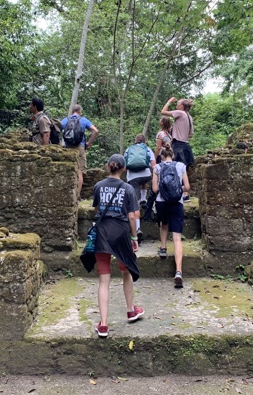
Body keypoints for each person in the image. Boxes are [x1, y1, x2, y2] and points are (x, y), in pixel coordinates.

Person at [80, 154, 144, 338]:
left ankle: (103, 324)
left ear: (108, 166)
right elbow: (132, 216)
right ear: (124, 169)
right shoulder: (128, 188)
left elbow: (97, 210)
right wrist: (134, 237)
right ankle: (131, 310)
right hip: (121, 233)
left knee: (104, 279)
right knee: (126, 271)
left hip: (102, 233)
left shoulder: (98, 186)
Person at [152, 145, 190, 289]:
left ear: (161, 156)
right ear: (172, 155)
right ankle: (178, 271)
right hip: (177, 202)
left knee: (163, 223)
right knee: (177, 237)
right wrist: (178, 189)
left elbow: (155, 189)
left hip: (161, 202)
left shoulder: (157, 167)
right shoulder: (181, 166)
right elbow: (187, 187)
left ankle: (163, 247)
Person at [61, 104, 98, 201]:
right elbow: (95, 131)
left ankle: (68, 194)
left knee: (68, 170)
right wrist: (88, 143)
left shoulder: (65, 120)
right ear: (80, 111)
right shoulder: (83, 120)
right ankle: (77, 196)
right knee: (79, 172)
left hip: (67, 148)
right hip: (80, 147)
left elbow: (56, 129)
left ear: (72, 111)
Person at [161, 97, 194, 200]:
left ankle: (182, 194)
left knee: (177, 168)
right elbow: (190, 134)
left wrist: (169, 101)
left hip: (178, 144)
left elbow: (163, 112)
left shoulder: (180, 113)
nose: (176, 105)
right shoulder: (189, 116)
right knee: (184, 168)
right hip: (186, 145)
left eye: (178, 103)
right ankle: (185, 194)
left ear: (182, 106)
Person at [124, 134, 156, 241]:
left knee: (135, 203)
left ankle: (137, 228)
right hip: (146, 175)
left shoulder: (129, 149)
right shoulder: (147, 149)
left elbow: (125, 166)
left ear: (135, 141)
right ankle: (143, 199)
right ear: (144, 141)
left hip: (133, 177)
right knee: (143, 181)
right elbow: (154, 165)